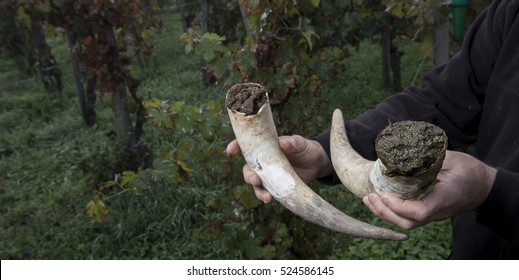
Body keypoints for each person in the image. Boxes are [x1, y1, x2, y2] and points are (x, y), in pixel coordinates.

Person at [226, 0, 519, 259]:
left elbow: (491, 188)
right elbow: (443, 101)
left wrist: (492, 191)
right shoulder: (511, 13)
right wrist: (323, 153)